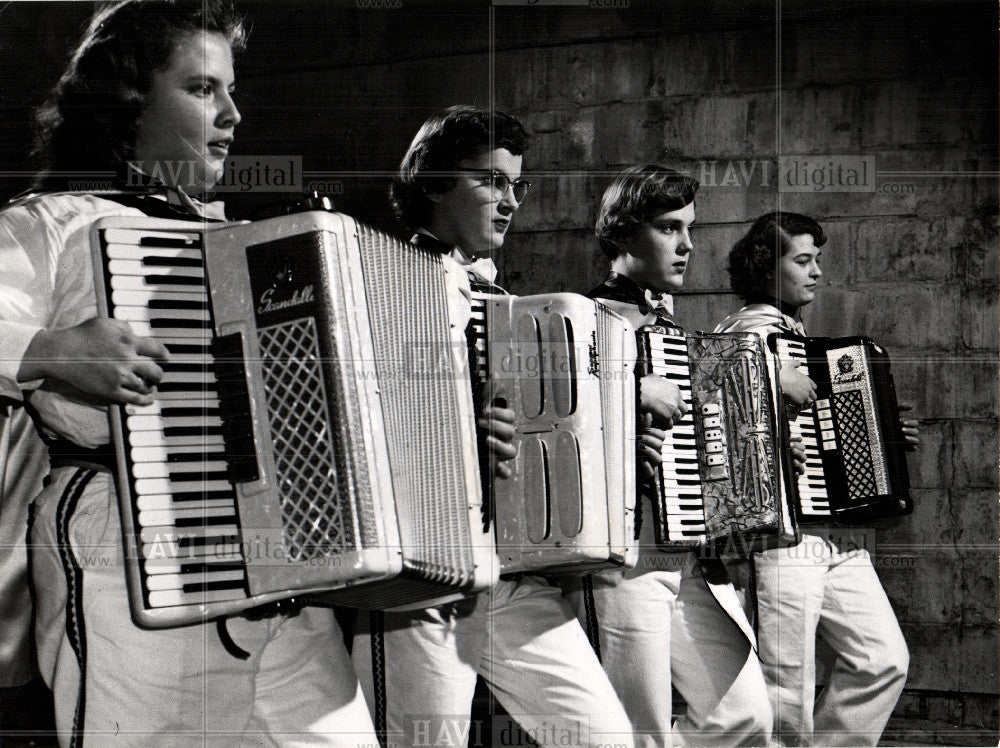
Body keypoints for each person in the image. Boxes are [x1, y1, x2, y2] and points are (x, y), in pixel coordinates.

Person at [0, 2, 377, 744]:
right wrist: (48, 350)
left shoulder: (251, 240)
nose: (233, 113)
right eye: (203, 89)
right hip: (130, 551)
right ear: (129, 100)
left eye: (231, 90)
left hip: (288, 576)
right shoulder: (50, 222)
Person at [351, 106, 635, 748]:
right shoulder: (378, 279)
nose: (509, 201)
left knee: (607, 737)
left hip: (510, 573)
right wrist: (450, 436)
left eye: (517, 185)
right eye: (489, 182)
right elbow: (352, 428)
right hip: (423, 577)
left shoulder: (491, 297)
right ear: (432, 184)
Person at [561, 165, 773, 747]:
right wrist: (624, 417)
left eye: (690, 229)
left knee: (747, 713)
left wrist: (763, 461)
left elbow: (709, 444)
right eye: (667, 228)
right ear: (623, 234)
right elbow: (553, 432)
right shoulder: (584, 318)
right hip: (621, 560)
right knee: (638, 730)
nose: (686, 245)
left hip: (685, 556)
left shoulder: (668, 327)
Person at [714, 211, 914, 746]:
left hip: (834, 533)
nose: (817, 272)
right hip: (781, 536)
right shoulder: (746, 329)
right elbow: (715, 378)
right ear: (765, 269)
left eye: (817, 260)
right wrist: (774, 382)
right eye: (803, 260)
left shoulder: (796, 338)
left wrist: (886, 436)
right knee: (786, 693)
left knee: (882, 660)